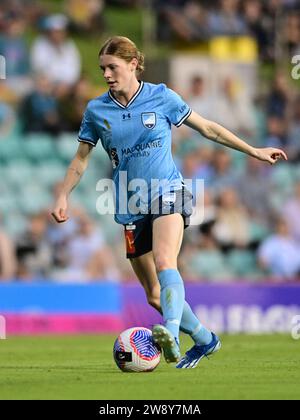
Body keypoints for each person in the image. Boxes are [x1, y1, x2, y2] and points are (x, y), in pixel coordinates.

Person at [51, 36, 287, 369]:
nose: (106, 74)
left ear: (133, 64)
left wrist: (254, 150)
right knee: (153, 295)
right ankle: (205, 339)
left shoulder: (161, 97)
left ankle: (173, 335)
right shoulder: (96, 110)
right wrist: (63, 194)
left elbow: (208, 129)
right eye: (102, 68)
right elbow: (80, 160)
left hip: (168, 192)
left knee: (165, 260)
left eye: (112, 67)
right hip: (129, 204)